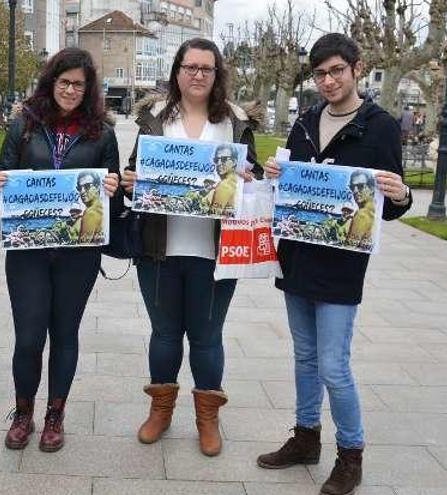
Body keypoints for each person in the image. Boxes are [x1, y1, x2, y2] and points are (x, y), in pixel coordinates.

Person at [256, 33, 411, 495]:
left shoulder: (379, 126)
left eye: (336, 71)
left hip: (342, 266)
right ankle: (305, 437)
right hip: (298, 258)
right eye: (320, 73)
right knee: (304, 357)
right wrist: (274, 173)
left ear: (356, 69)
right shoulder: (304, 122)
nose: (327, 81)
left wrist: (400, 195)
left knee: (334, 366)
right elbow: (286, 186)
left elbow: (393, 202)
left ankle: (351, 453)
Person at [120, 37, 262, 457]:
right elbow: (134, 170)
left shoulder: (234, 123)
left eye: (207, 68)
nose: (198, 74)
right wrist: (131, 180)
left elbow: (251, 180)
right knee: (164, 334)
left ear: (217, 75)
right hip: (159, 247)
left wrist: (250, 183)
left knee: (206, 337)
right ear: (177, 72)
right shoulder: (156, 117)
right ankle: (160, 411)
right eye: (190, 67)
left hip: (216, 251)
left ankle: (207, 418)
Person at [0, 47, 121, 452]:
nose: (70, 90)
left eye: (78, 85)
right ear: (52, 82)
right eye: (64, 82)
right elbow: (3, 168)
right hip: (28, 250)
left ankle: (55, 416)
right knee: (28, 336)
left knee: (65, 334)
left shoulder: (102, 132)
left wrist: (114, 190)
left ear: (89, 89)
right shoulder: (24, 125)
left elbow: (112, 197)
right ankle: (24, 412)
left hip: (78, 254)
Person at [204, 143, 239, 215]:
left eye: (224, 159)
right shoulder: (235, 182)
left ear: (234, 162)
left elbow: (213, 215)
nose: (219, 163)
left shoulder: (224, 186)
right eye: (216, 160)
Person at [344, 170, 375, 249]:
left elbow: (349, 247)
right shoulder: (372, 211)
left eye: (360, 186)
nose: (355, 191)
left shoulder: (361, 215)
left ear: (371, 188)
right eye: (352, 187)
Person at [74, 170, 104, 243]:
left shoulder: (90, 213)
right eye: (79, 188)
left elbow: (83, 245)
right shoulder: (101, 209)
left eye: (87, 186)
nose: (82, 191)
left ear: (97, 187)